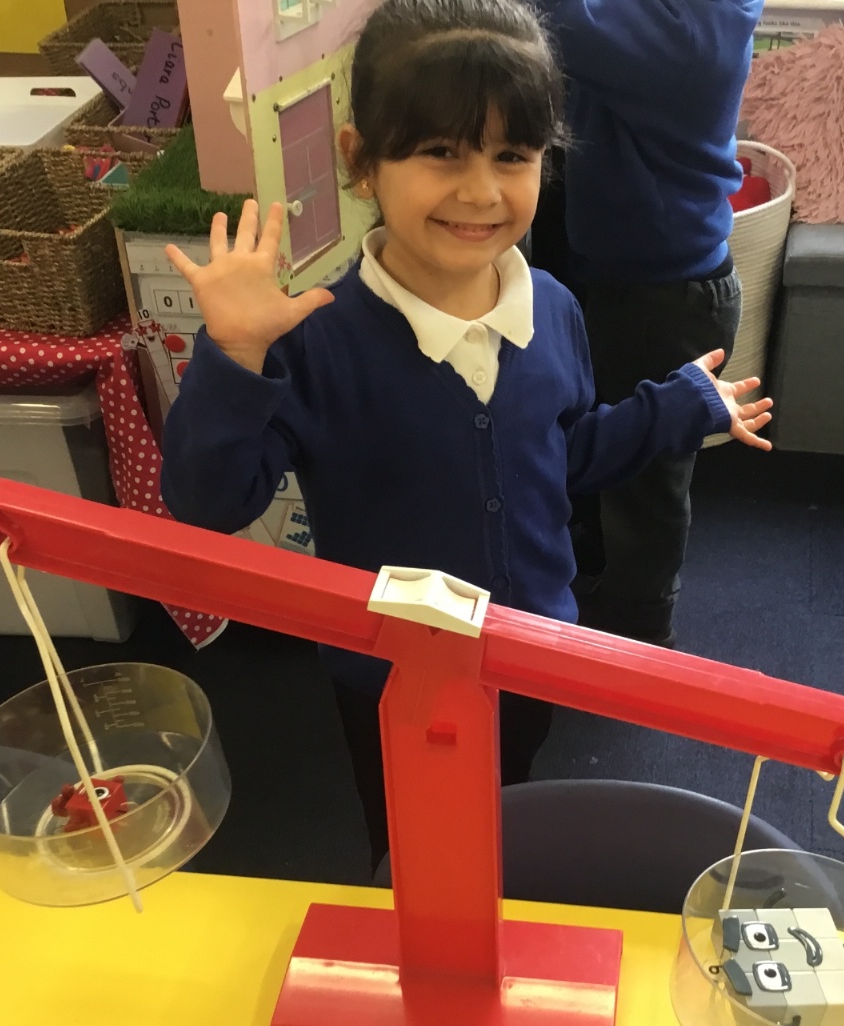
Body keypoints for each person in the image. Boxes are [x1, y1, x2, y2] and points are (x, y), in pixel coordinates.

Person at [159, 0, 773, 871]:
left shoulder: (554, 308)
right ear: (361, 161)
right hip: (389, 680)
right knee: (414, 854)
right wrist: (233, 355)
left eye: (512, 156)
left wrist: (678, 407)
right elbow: (207, 502)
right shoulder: (321, 340)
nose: (481, 191)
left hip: (529, 656)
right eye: (442, 152)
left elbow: (561, 460)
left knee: (509, 828)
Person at [537, 0, 766, 647]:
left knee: (647, 487)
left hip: (665, 298)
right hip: (627, 277)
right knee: (608, 441)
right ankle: (598, 576)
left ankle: (639, 633)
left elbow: (556, 18)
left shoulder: (695, 22)